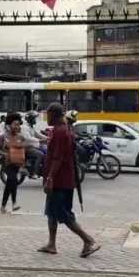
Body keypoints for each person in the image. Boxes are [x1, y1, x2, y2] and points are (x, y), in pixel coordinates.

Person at [39, 103, 100, 258]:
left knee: (64, 214)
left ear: (54, 114)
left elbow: (57, 158)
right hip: (59, 181)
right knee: (51, 213)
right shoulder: (60, 129)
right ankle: (51, 244)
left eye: (48, 114)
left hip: (60, 182)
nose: (47, 117)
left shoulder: (61, 132)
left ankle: (88, 240)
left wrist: (50, 179)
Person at [0, 113, 24, 214]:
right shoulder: (3, 137)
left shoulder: (20, 137)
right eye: (14, 124)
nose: (16, 127)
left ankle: (3, 207)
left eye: (18, 125)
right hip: (6, 163)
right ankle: (14, 203)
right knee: (14, 179)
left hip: (16, 163)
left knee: (9, 184)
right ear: (9, 125)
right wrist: (6, 154)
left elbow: (22, 149)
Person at [23, 110, 47, 177]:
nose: (35, 120)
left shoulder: (31, 126)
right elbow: (27, 138)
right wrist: (39, 140)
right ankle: (35, 173)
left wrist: (48, 138)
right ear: (30, 119)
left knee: (46, 151)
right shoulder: (25, 127)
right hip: (28, 148)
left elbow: (37, 134)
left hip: (34, 146)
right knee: (40, 154)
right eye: (34, 118)